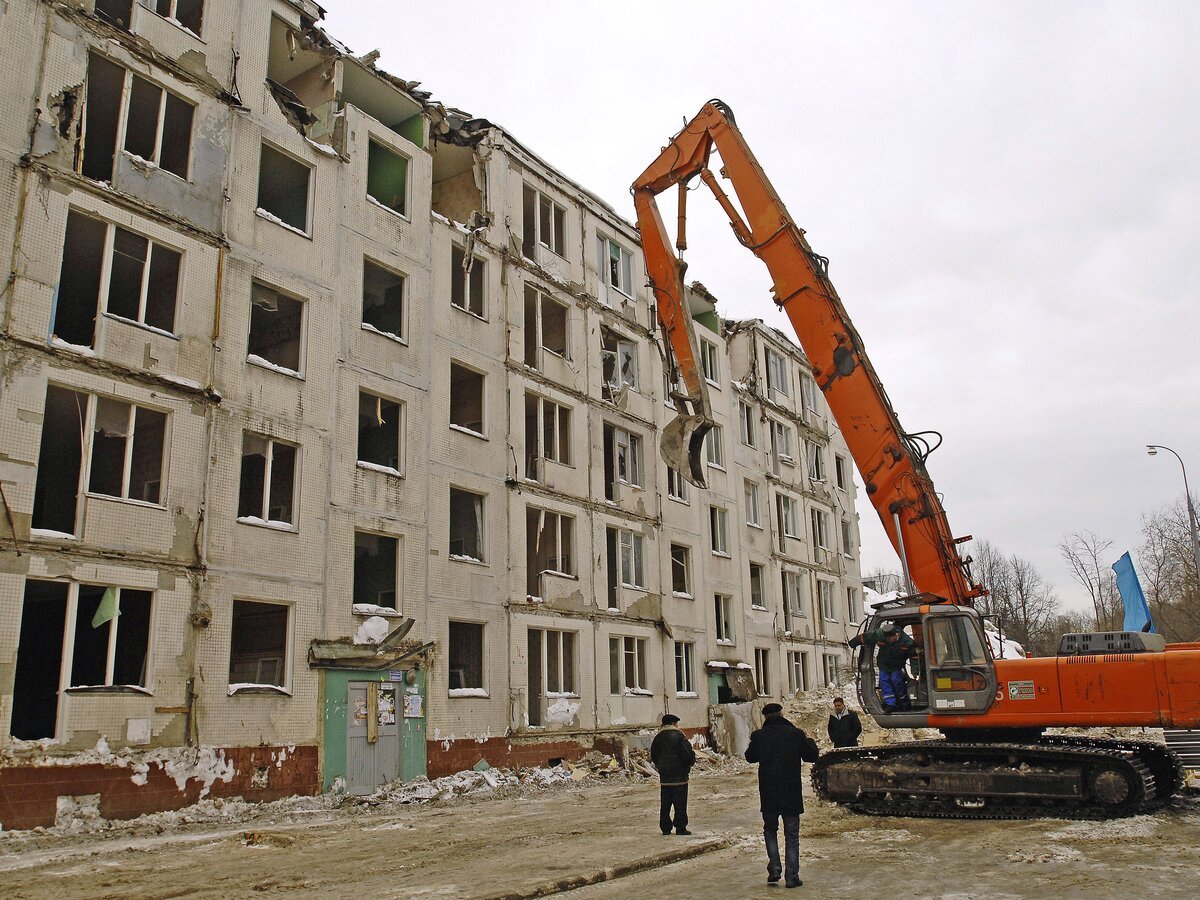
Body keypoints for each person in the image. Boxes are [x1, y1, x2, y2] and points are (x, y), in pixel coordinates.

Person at [745, 702, 820, 888]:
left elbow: (750, 757)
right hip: (790, 792)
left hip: (769, 793)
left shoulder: (759, 736)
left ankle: (774, 868)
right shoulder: (794, 734)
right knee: (792, 835)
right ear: (781, 713)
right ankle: (792, 877)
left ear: (766, 717)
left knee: (770, 830)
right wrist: (807, 739)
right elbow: (812, 756)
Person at [848, 622, 916, 712]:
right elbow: (867, 636)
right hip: (883, 665)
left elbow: (914, 657)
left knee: (896, 681)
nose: (888, 640)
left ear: (896, 634)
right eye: (887, 638)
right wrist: (853, 643)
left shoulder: (907, 642)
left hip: (896, 666)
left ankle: (904, 702)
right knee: (884, 682)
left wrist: (915, 671)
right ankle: (891, 704)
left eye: (890, 638)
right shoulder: (880, 635)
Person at [650, 713, 696, 835]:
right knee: (680, 803)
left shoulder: (658, 737)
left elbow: (654, 755)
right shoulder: (679, 736)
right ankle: (680, 827)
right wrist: (689, 764)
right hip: (680, 776)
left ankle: (665, 827)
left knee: (665, 804)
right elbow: (688, 754)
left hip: (665, 777)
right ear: (674, 724)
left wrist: (661, 767)